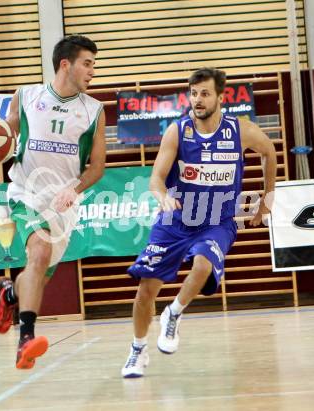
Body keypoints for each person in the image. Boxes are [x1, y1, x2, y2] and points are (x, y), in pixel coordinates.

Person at [121, 67, 276, 378]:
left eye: (204, 93)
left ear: (220, 96)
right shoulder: (178, 131)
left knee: (203, 264)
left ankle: (173, 314)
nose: (197, 99)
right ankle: (138, 350)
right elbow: (155, 179)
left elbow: (269, 152)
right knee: (145, 290)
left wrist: (266, 202)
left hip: (217, 219)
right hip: (176, 219)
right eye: (193, 93)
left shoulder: (240, 130)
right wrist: (162, 196)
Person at [0, 35, 106, 369]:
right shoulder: (26, 96)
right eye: (88, 63)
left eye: (94, 65)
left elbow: (98, 166)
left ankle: (9, 296)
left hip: (64, 205)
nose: (92, 72)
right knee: (39, 252)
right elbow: (2, 139)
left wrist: (76, 188)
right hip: (25, 192)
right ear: (65, 64)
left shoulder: (93, 111)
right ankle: (25, 340)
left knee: (36, 276)